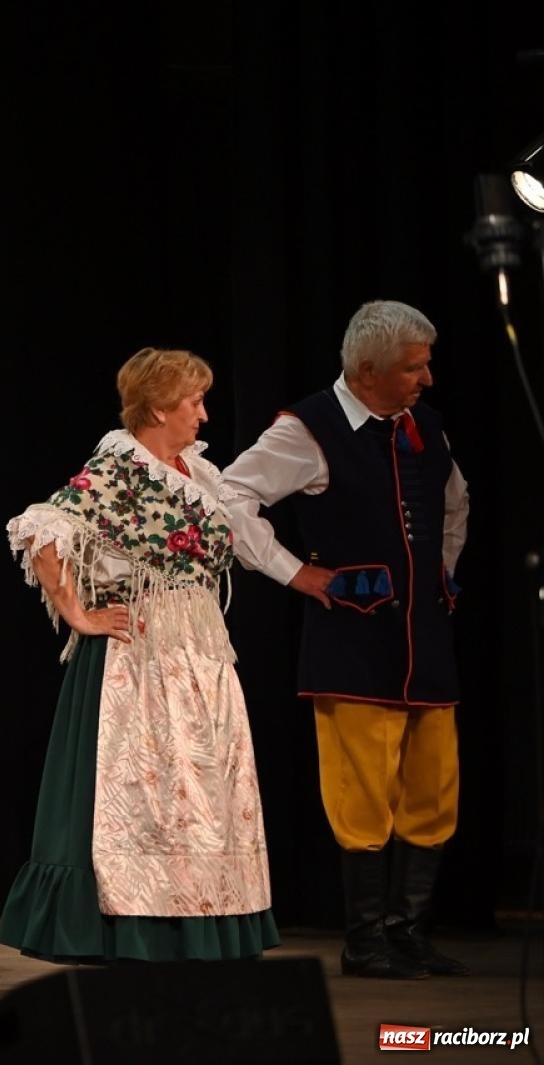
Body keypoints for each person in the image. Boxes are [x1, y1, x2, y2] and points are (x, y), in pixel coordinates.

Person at [0, 347, 279, 963]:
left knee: (202, 793)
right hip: (143, 656)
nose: (204, 415)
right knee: (150, 794)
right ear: (157, 407)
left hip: (198, 646)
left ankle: (205, 919)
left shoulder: (196, 473)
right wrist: (78, 613)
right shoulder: (119, 470)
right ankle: (134, 925)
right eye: (194, 401)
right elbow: (43, 532)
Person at [220, 300, 469, 979]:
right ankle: (366, 940)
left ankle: (409, 929)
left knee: (433, 788)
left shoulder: (425, 427)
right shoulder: (310, 429)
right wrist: (297, 572)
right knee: (362, 796)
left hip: (424, 639)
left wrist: (440, 573)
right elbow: (229, 495)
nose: (426, 379)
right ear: (367, 370)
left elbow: (455, 499)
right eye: (413, 368)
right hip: (354, 643)